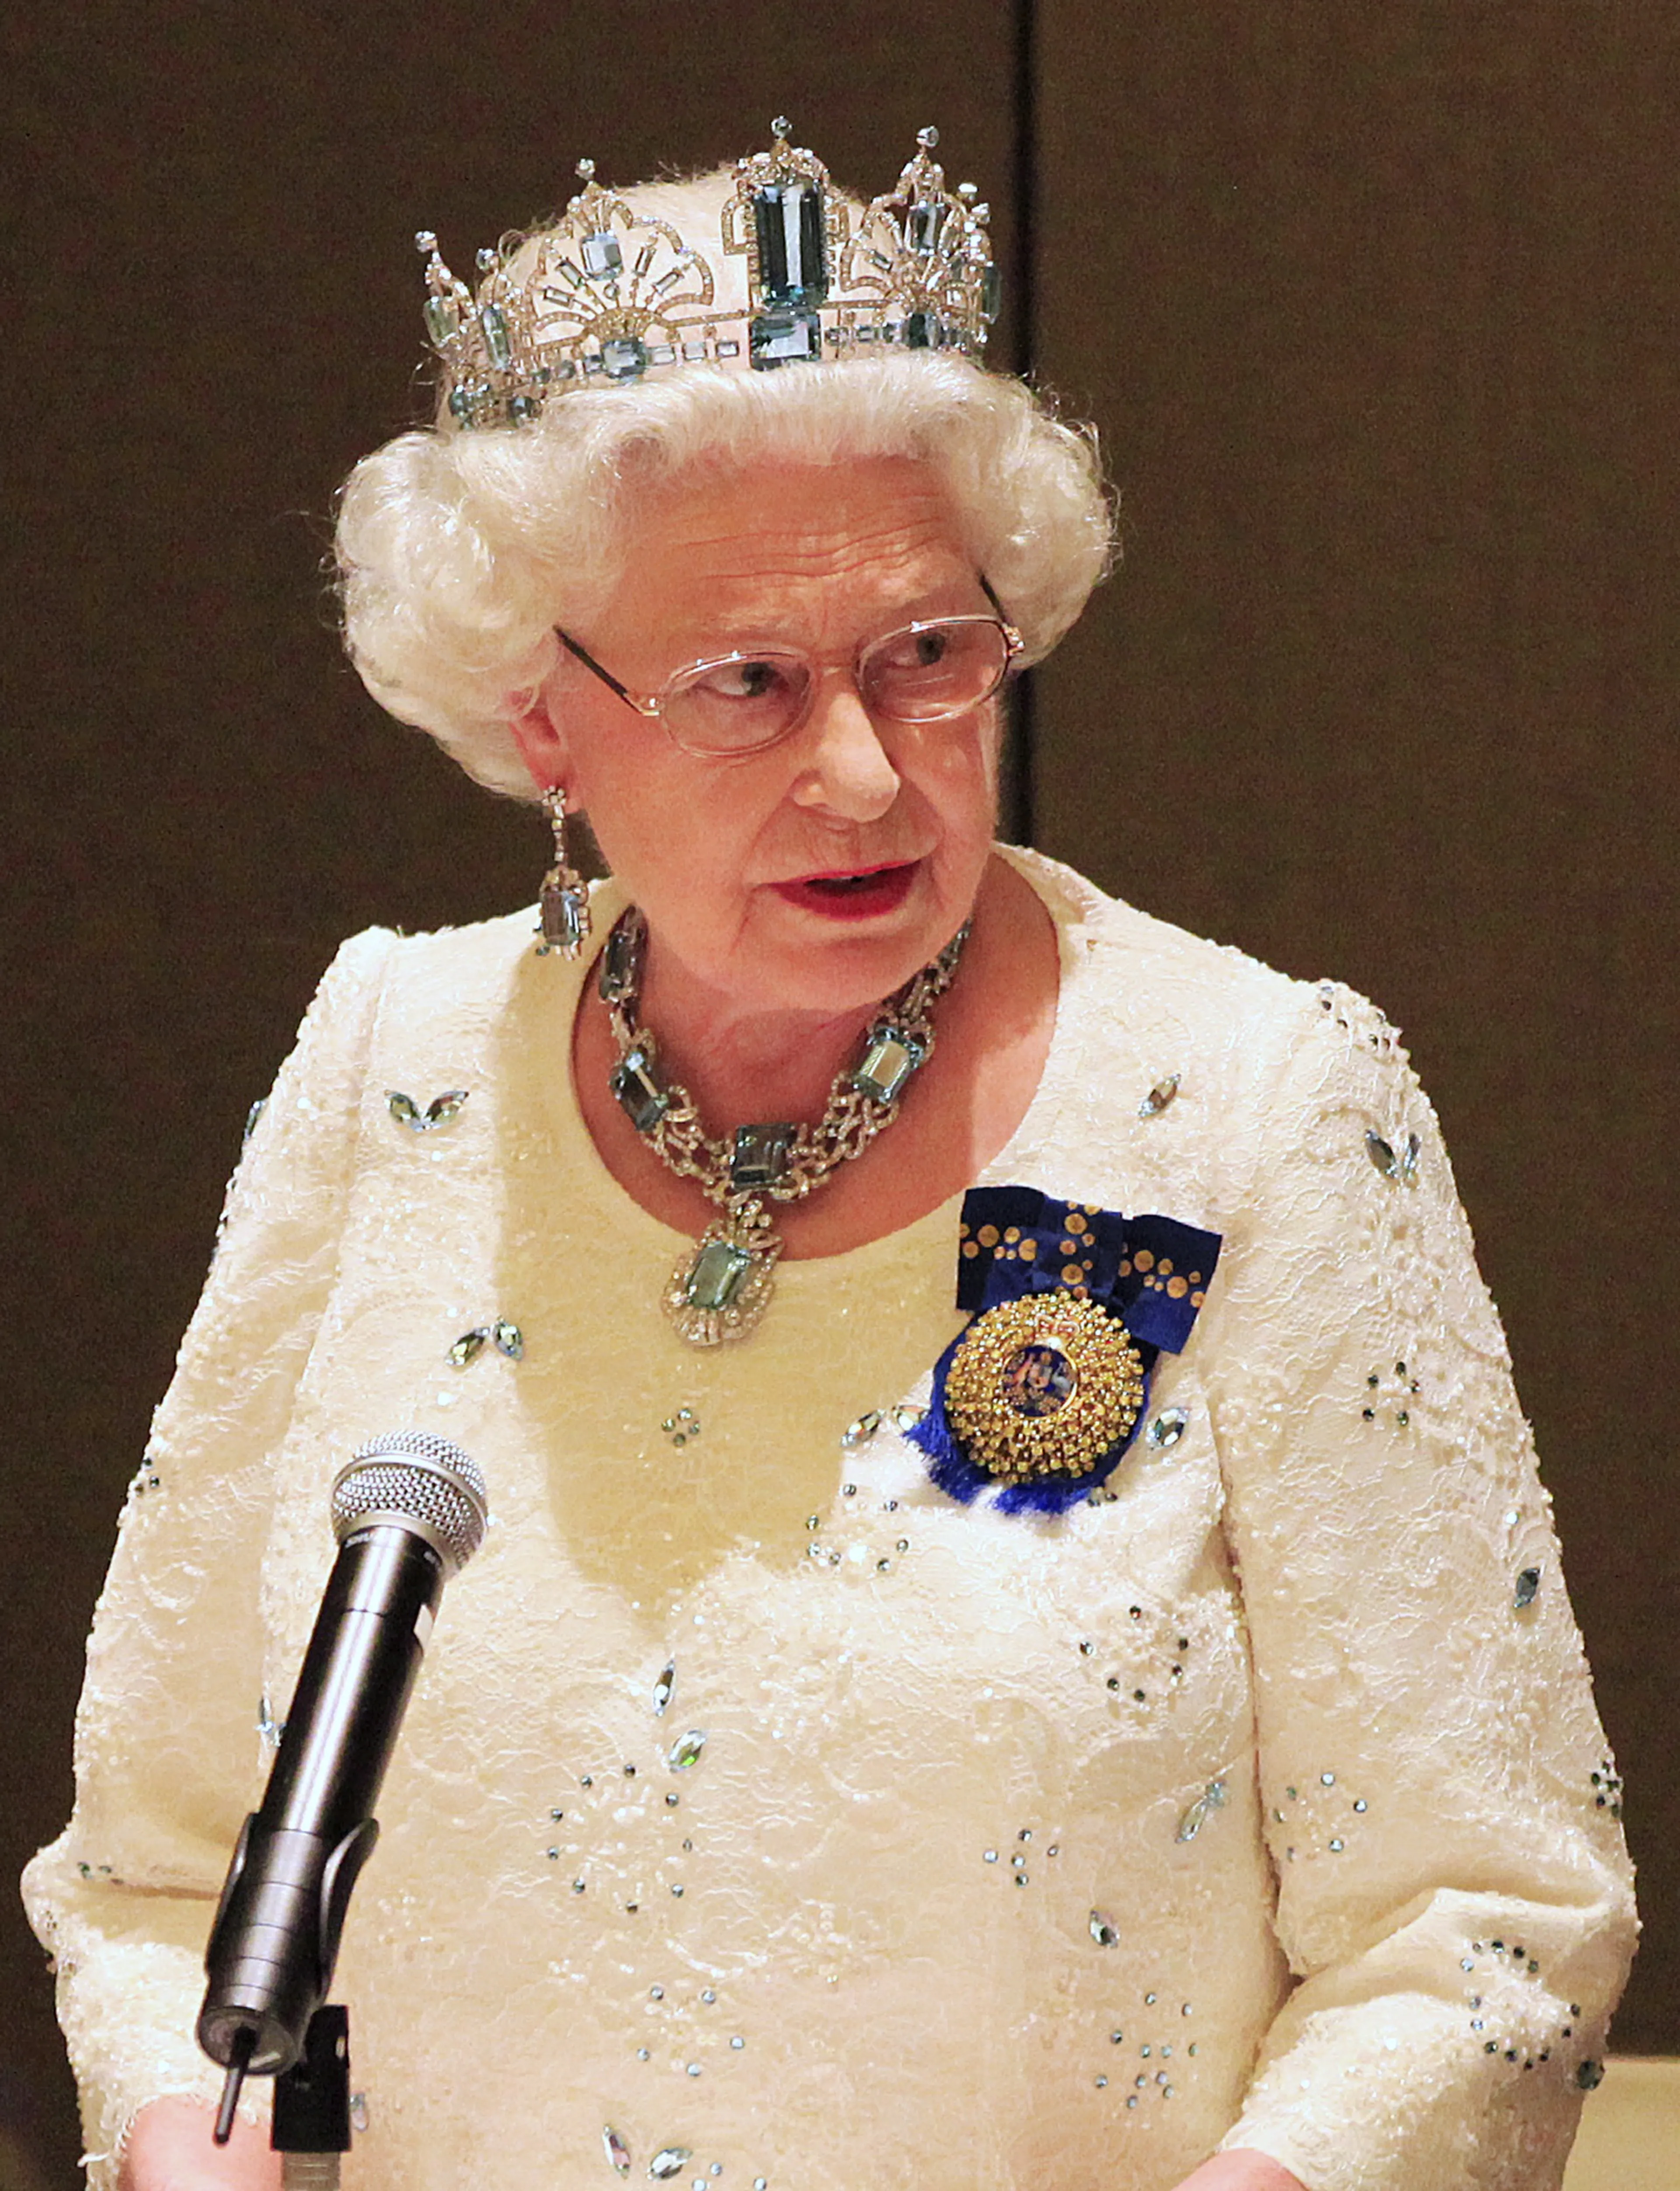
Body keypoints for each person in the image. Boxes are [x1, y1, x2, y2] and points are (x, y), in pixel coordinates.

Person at [24, 124, 1635, 2191]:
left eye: (930, 656)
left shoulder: (1248, 1102)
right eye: (750, 684)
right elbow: (157, 1872)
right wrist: (185, 2118)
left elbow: (1479, 1926)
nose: (866, 768)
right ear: (542, 719)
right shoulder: (389, 1064)